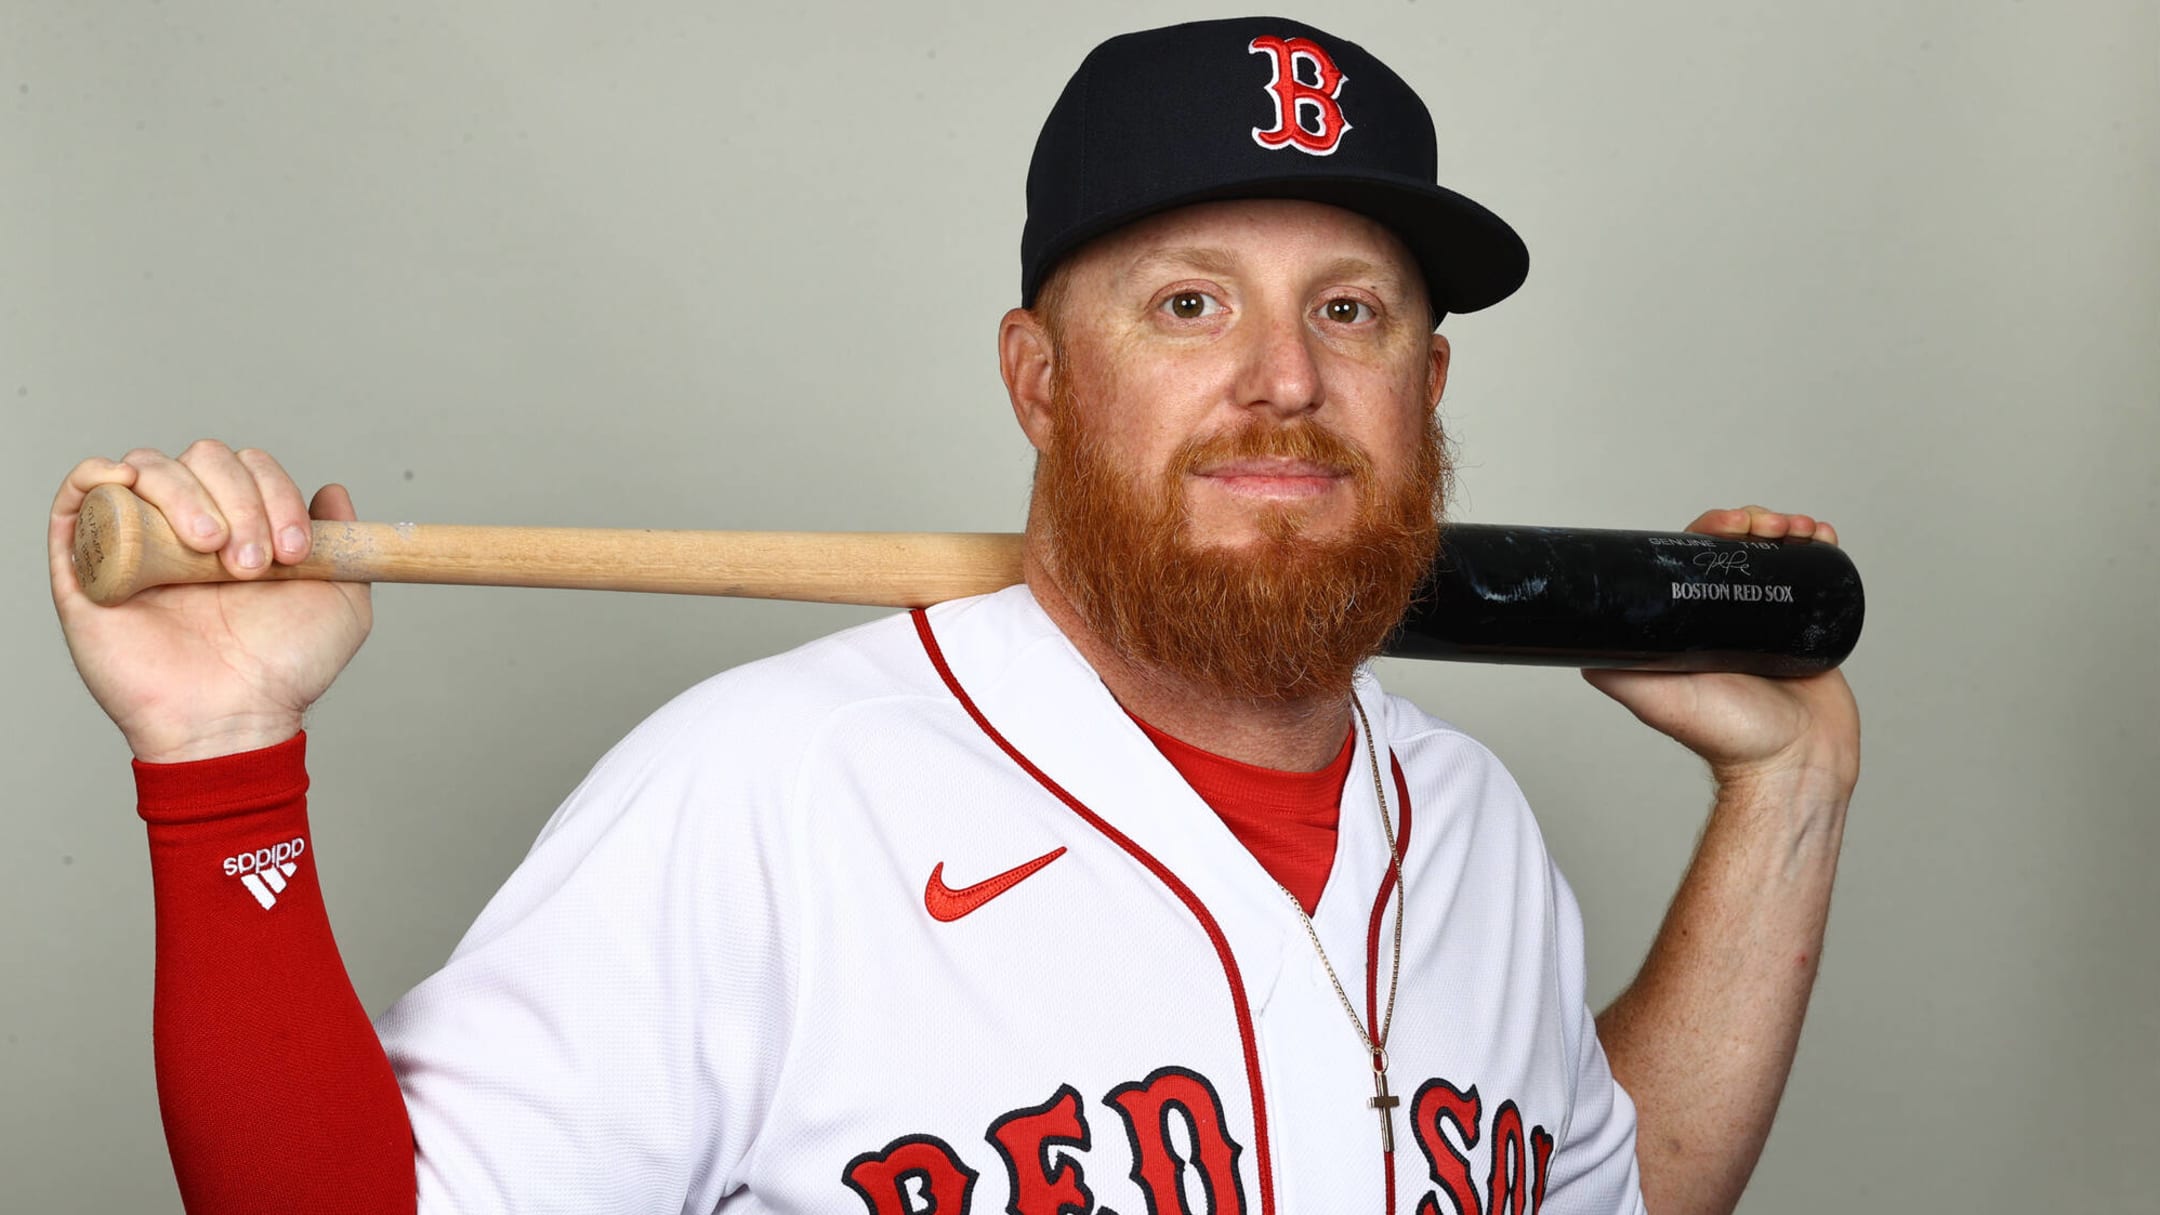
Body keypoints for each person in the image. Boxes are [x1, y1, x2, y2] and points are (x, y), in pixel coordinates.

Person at [47, 17, 1858, 1215]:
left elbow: (1600, 1195)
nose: (1285, 383)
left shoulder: (1469, 829)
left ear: (1428, 385)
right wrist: (222, 765)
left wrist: (1788, 794)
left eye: (1355, 312)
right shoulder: (769, 792)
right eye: (1187, 305)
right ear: (1038, 381)